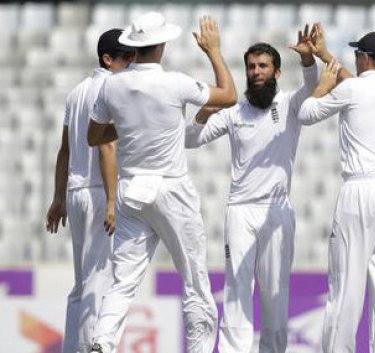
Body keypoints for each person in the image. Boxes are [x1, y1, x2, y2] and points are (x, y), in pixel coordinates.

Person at [86, 12, 237, 353]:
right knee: (195, 279)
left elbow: (94, 136)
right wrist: (213, 50)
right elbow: (229, 95)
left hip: (131, 190)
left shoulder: (112, 84)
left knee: (123, 280)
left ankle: (101, 344)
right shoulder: (175, 82)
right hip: (171, 188)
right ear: (162, 44)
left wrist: (127, 127)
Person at [184, 24, 318, 353]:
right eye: (251, 67)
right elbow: (190, 139)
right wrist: (205, 109)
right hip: (240, 210)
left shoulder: (289, 104)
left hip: (277, 210)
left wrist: (309, 61)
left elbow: (313, 86)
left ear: (276, 71)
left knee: (275, 291)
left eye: (263, 66)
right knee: (237, 288)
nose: (256, 72)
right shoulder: (234, 110)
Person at [297, 30, 375, 353]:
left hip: (361, 191)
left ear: (365, 58)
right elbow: (355, 84)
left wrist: (321, 87)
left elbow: (306, 113)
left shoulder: (353, 90)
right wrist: (325, 56)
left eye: (358, 54)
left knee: (345, 284)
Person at [44, 28, 134, 353]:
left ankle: (73, 347)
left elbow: (64, 150)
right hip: (99, 191)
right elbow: (107, 147)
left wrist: (58, 199)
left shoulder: (77, 91)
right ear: (108, 59)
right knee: (99, 281)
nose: (132, 62)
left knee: (82, 284)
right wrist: (112, 200)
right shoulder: (113, 87)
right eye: (127, 56)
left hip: (76, 190)